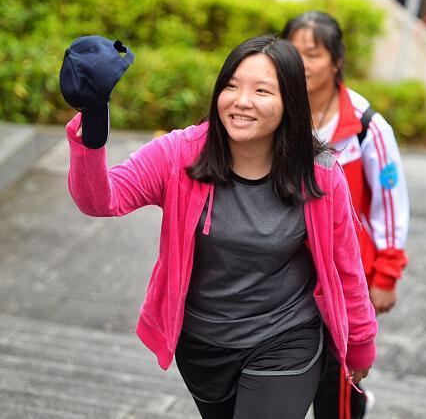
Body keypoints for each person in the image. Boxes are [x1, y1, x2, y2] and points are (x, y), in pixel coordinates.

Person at [62, 35, 377, 419]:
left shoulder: (321, 176)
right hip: (203, 346)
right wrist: (94, 119)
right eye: (231, 86)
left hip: (286, 338)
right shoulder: (179, 154)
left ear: (290, 102)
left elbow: (348, 269)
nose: (241, 101)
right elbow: (101, 200)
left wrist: (360, 344)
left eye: (261, 90)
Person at [283, 11, 410, 419]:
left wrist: (386, 273)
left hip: (344, 276)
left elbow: (390, 202)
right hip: (285, 272)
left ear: (336, 60)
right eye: (294, 52)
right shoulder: (273, 110)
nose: (302, 64)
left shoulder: (366, 126)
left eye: (313, 54)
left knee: (339, 379)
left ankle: (352, 404)